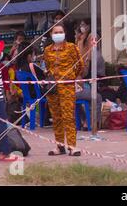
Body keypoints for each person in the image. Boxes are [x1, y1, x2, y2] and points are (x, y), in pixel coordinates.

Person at [44, 24, 84, 156]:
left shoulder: (72, 48)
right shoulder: (48, 50)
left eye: (60, 32)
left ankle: (72, 146)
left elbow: (80, 65)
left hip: (67, 87)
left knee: (68, 117)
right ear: (51, 34)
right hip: (53, 88)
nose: (58, 34)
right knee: (56, 118)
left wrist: (71, 76)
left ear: (65, 33)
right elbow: (48, 67)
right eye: (56, 32)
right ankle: (59, 146)